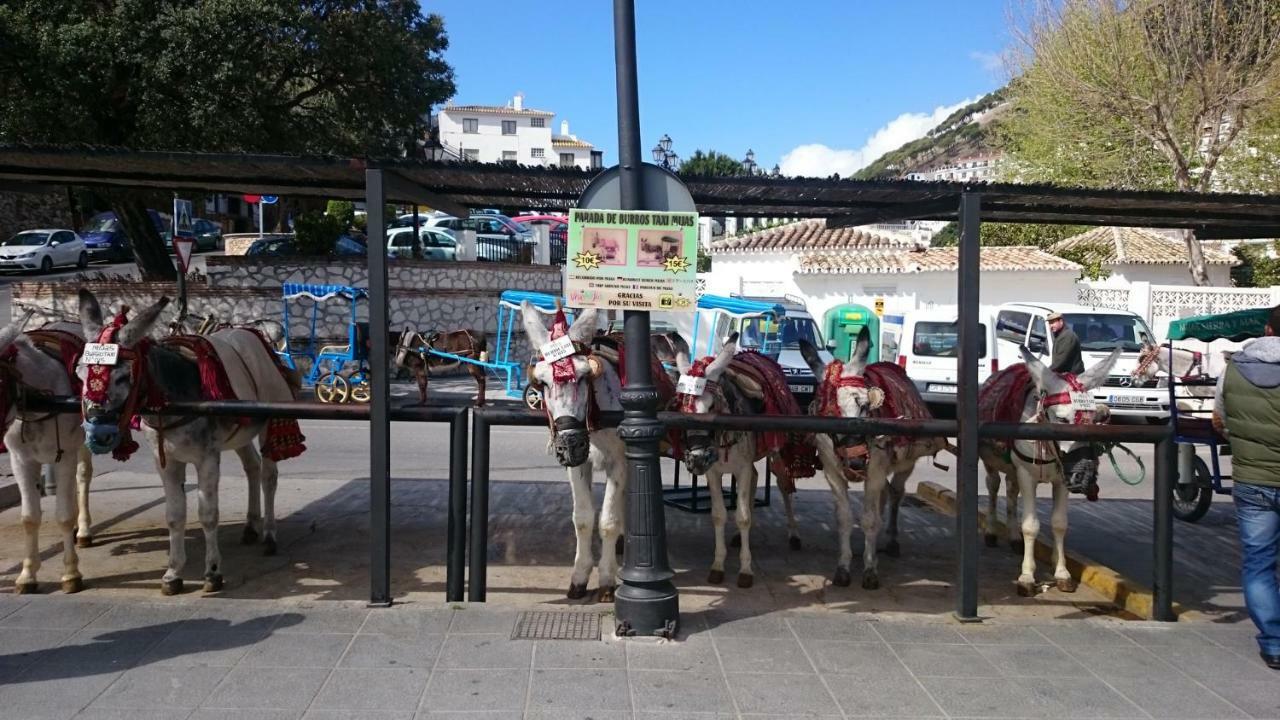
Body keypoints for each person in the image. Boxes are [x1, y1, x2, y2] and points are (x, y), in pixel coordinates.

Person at [1213, 304, 1280, 671]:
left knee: (1259, 564)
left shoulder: (1233, 369)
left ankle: (1273, 644)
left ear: (1268, 330)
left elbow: (1219, 420)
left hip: (1252, 481)